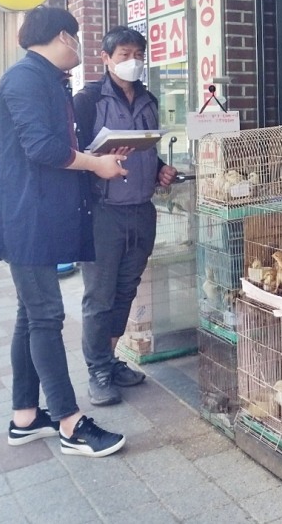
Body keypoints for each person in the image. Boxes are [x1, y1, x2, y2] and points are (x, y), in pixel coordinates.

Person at [0, 6, 128, 458]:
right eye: (76, 38)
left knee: (30, 314)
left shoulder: (43, 79)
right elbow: (41, 148)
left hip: (34, 213)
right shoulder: (26, 79)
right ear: (63, 36)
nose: (78, 48)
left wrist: (96, 155)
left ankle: (25, 417)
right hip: (25, 216)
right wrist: (95, 163)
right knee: (45, 316)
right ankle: (69, 422)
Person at [74, 26, 177, 406]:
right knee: (99, 296)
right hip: (103, 213)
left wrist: (161, 168)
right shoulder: (86, 101)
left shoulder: (148, 99)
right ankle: (97, 369)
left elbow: (145, 149)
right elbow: (72, 156)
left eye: (138, 54)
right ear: (105, 58)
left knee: (125, 290)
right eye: (123, 54)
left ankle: (111, 359)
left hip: (141, 209)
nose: (132, 61)